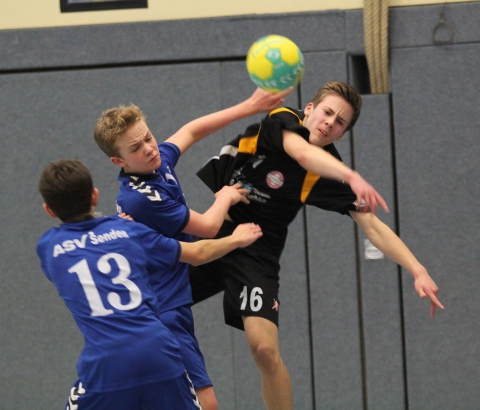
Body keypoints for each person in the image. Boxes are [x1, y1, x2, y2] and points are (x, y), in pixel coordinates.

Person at [189, 81, 445, 410]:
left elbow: (372, 225)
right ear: (308, 109)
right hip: (215, 226)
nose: (329, 122)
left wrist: (418, 270)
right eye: (327, 112)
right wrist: (351, 175)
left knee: (265, 350)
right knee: (152, 302)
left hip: (257, 250)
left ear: (341, 135)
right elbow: (301, 152)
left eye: (340, 122)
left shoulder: (328, 174)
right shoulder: (280, 120)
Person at [36, 159, 263, 410]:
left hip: (106, 362)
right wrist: (235, 239)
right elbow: (198, 253)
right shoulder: (127, 230)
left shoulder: (49, 247)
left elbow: (87, 249)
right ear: (95, 196)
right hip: (159, 351)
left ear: (49, 210)